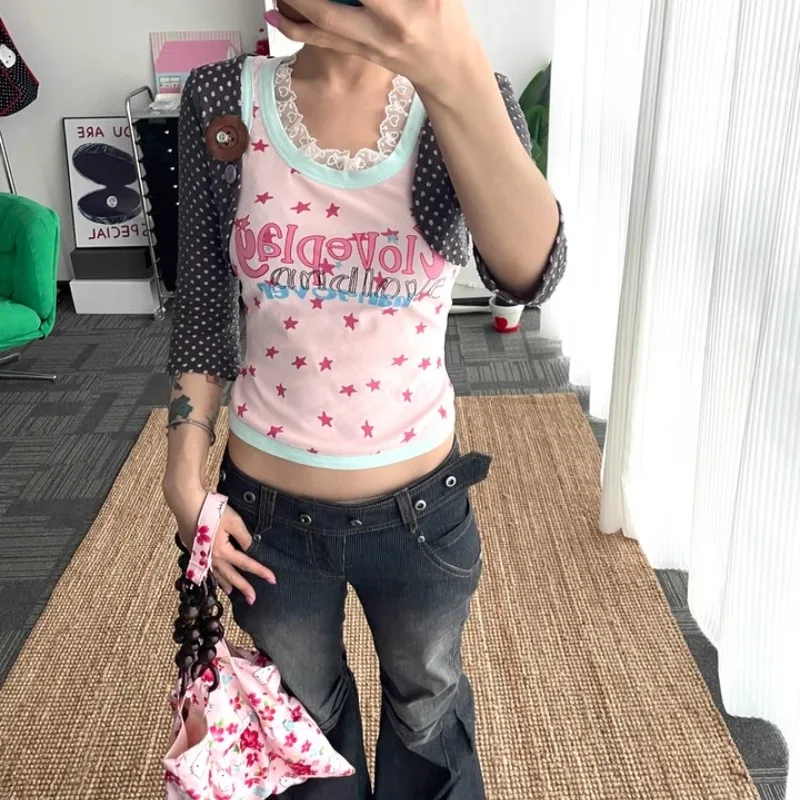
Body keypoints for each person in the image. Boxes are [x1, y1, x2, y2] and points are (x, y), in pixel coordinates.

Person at [163, 0, 566, 797]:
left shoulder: (464, 96)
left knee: (428, 710)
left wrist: (448, 66)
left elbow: (528, 273)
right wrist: (182, 475)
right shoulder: (219, 99)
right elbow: (203, 309)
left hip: (422, 512)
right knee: (302, 726)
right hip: (267, 521)